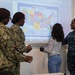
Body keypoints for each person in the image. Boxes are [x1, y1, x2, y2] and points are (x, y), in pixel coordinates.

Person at [0, 8, 33, 75]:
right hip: (8, 64)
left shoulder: (9, 29)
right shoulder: (4, 30)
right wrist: (24, 55)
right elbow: (10, 49)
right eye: (8, 18)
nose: (9, 20)